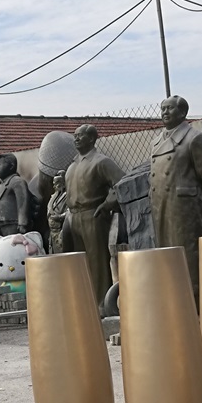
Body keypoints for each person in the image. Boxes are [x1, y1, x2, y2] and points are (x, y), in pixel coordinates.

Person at [149, 95, 202, 299]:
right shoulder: (156, 141)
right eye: (163, 109)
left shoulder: (193, 138)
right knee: (167, 255)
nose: (165, 112)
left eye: (170, 108)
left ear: (183, 112)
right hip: (162, 208)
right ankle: (174, 300)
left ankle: (194, 301)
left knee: (189, 256)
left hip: (185, 209)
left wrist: (198, 202)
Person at [64, 124, 124, 304]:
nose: (76, 138)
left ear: (91, 138)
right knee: (78, 262)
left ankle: (101, 303)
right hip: (73, 217)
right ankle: (85, 303)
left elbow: (122, 183)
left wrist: (107, 204)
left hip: (93, 215)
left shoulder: (101, 162)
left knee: (97, 263)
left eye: (80, 135)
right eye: (74, 135)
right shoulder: (72, 166)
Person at [0, 153, 33, 236]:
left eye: (0, 166)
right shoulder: (1, 183)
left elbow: (22, 202)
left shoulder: (16, 181)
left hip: (11, 224)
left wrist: (22, 223)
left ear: (11, 166)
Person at [46, 171, 70, 255]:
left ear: (63, 184)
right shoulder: (53, 197)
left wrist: (60, 217)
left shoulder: (68, 196)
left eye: (57, 184)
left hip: (62, 230)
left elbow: (70, 211)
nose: (54, 186)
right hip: (52, 232)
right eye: (54, 184)